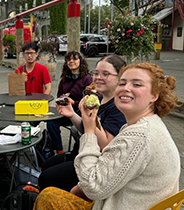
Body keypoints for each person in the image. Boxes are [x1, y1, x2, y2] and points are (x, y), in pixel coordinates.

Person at [29, 62, 181, 210]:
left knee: (48, 197)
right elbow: (113, 164)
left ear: (154, 95)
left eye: (136, 84)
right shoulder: (143, 125)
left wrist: (89, 131)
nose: (125, 88)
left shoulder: (139, 136)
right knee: (50, 192)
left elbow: (93, 187)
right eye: (122, 83)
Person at [39, 54, 126, 192]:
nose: (98, 77)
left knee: (45, 178)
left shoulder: (119, 107)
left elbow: (105, 145)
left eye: (105, 74)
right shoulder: (100, 98)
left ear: (120, 77)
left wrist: (89, 119)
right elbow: (86, 130)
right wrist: (72, 114)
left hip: (94, 162)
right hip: (80, 151)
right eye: (96, 73)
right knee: (46, 165)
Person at [47, 51, 93, 155]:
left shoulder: (87, 79)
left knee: (75, 129)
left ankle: (79, 151)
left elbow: (90, 102)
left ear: (80, 61)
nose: (71, 61)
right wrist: (62, 99)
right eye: (69, 59)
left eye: (74, 59)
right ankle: (59, 151)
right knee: (51, 122)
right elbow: (59, 95)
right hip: (66, 111)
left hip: (81, 113)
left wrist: (73, 102)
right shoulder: (64, 79)